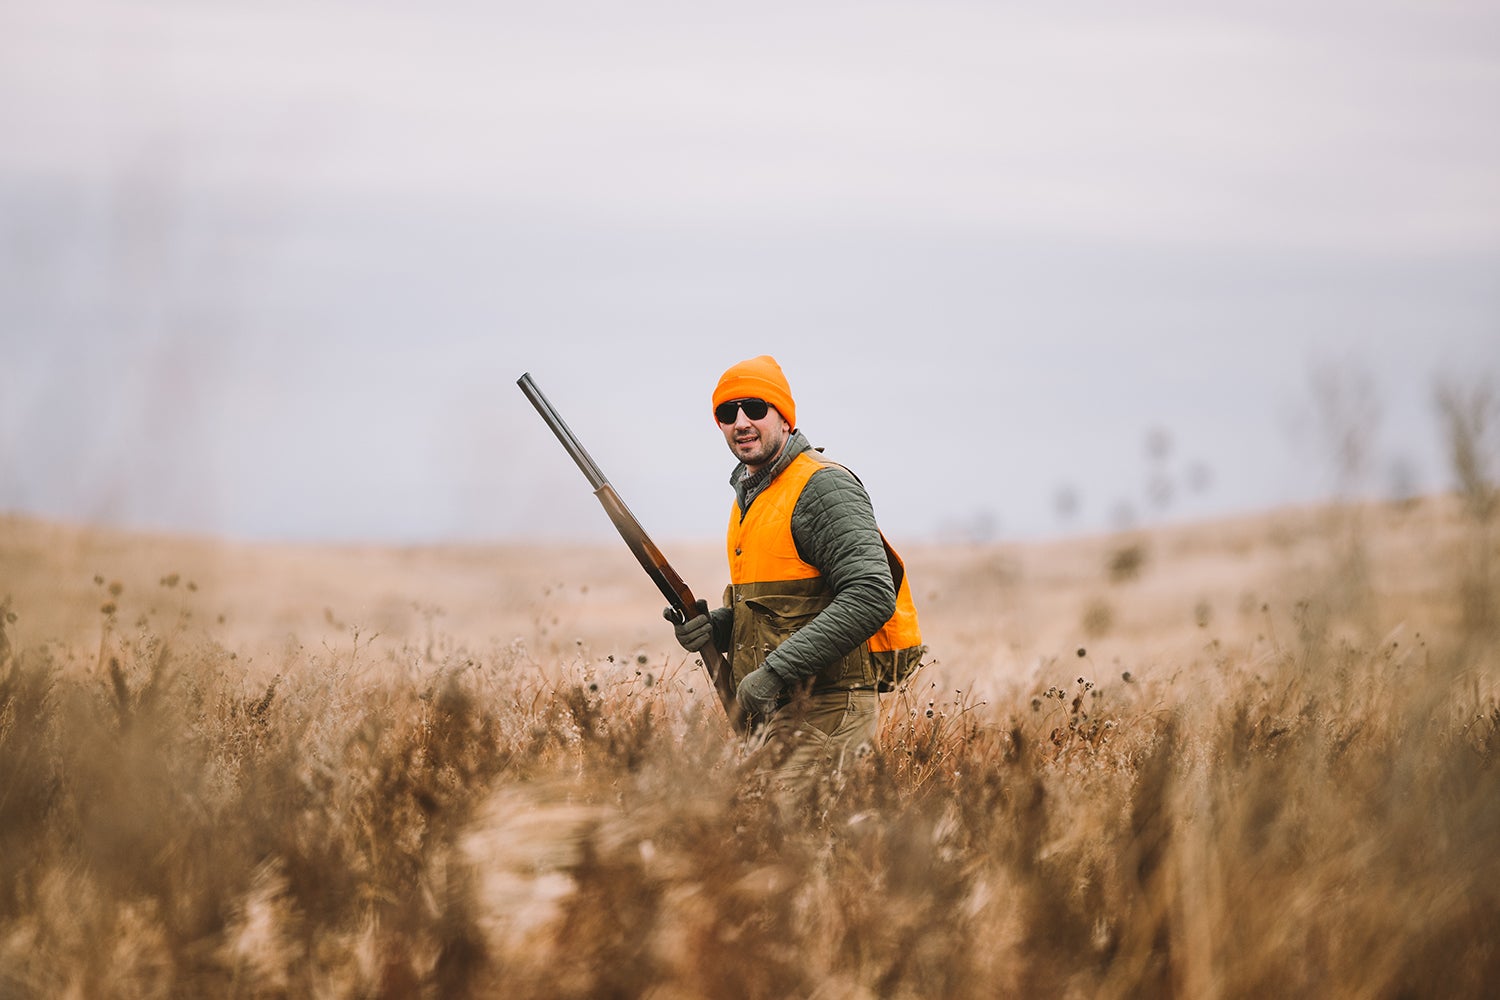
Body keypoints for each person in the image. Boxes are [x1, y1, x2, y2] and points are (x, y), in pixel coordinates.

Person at [668, 355, 923, 786]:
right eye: (727, 413)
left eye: (755, 408)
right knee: (770, 841)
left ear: (784, 417)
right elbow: (776, 608)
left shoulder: (822, 486)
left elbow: (870, 593)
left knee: (801, 840)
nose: (741, 422)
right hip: (779, 712)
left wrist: (773, 672)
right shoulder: (752, 495)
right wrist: (715, 627)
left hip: (827, 709)